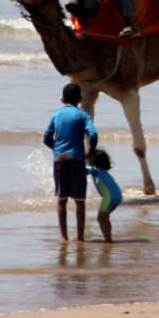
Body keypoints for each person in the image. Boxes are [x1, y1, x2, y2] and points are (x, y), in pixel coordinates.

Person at [42, 82, 98, 241]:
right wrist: (91, 151)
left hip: (60, 160)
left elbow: (46, 138)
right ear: (80, 98)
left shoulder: (56, 115)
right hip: (77, 159)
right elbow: (93, 135)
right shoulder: (83, 115)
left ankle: (64, 237)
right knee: (79, 201)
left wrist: (56, 148)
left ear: (62, 99)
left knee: (61, 199)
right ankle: (80, 237)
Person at [87, 149, 122, 243]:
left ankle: (108, 240)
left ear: (93, 159)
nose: (87, 160)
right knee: (105, 218)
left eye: (88, 158)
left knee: (100, 218)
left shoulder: (95, 170)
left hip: (109, 197)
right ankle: (109, 237)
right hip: (118, 196)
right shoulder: (104, 172)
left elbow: (83, 170)